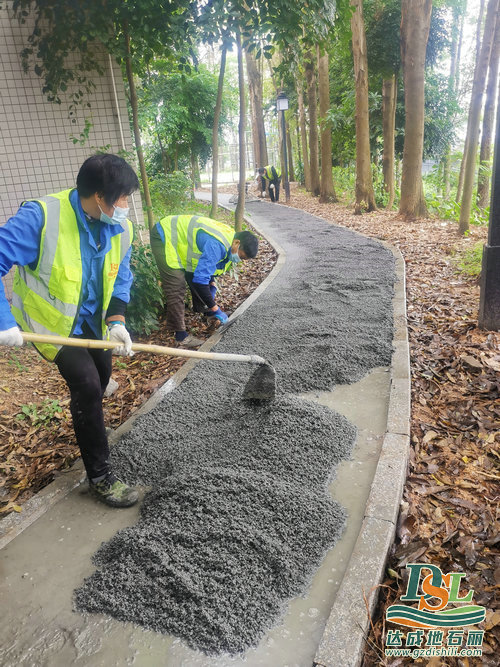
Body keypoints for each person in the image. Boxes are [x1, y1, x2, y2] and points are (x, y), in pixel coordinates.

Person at [0, 154, 140, 508]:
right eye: (121, 197)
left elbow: (121, 273)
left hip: (95, 323)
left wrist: (118, 320)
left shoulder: (120, 226)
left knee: (104, 373)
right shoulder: (41, 218)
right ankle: (100, 477)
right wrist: (4, 321)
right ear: (97, 197)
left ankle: (91, 426)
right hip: (52, 326)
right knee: (88, 384)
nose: (126, 205)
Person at [150, 215, 259, 348]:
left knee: (200, 278)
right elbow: (201, 280)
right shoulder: (217, 245)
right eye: (241, 256)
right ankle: (180, 337)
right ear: (237, 243)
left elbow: (208, 269)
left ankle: (205, 311)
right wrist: (215, 308)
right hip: (165, 236)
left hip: (178, 239)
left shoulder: (230, 239)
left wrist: (212, 285)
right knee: (176, 287)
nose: (239, 259)